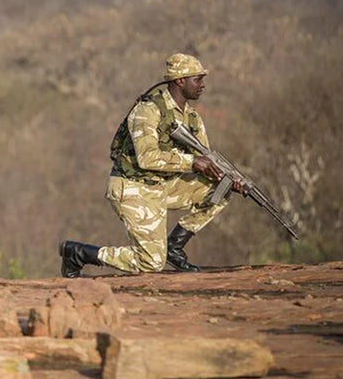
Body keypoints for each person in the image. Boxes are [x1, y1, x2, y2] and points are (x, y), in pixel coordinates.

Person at [59, 54, 239, 277]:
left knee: (220, 191)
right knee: (151, 264)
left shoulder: (192, 118)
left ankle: (175, 246)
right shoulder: (148, 110)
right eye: (197, 79)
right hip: (133, 187)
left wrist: (227, 177)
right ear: (179, 81)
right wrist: (192, 162)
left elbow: (204, 158)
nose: (202, 85)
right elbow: (147, 157)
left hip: (161, 186)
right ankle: (79, 253)